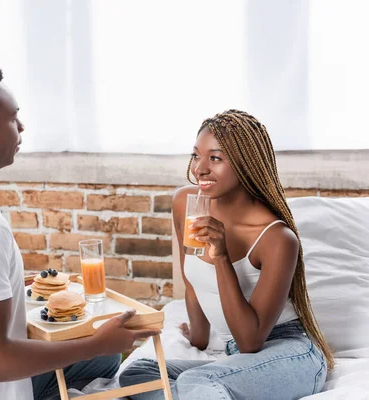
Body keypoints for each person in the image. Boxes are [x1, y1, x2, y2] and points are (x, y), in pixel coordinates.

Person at [0, 62, 159, 400]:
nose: (21, 126)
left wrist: (2, 286)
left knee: (105, 356)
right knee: (103, 351)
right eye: (12, 118)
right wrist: (94, 344)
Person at [119, 110, 334, 399]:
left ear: (246, 164)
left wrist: (221, 258)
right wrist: (197, 337)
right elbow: (193, 281)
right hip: (238, 358)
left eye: (215, 158)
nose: (200, 169)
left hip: (290, 352)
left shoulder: (276, 238)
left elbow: (249, 341)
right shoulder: (187, 203)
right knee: (139, 375)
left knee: (198, 381)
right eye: (197, 156)